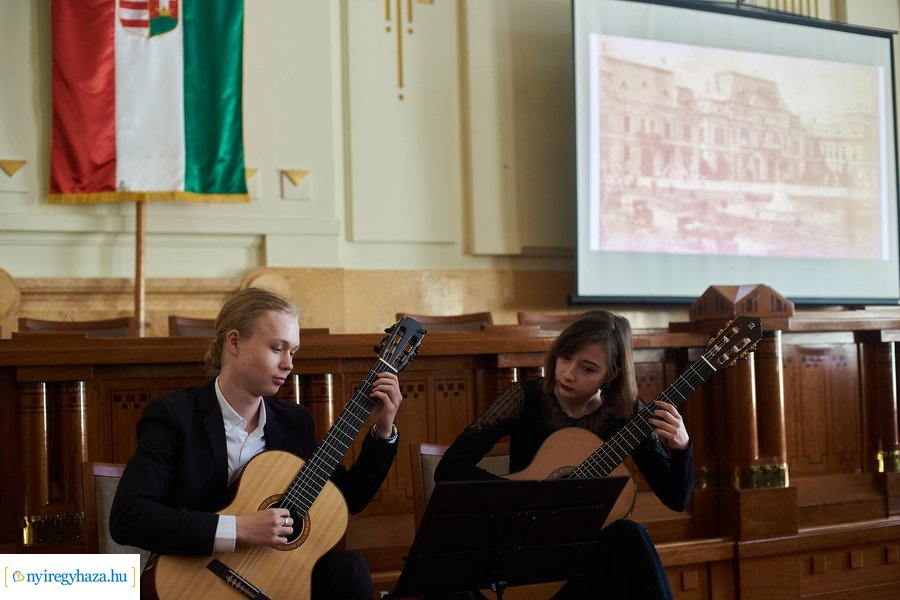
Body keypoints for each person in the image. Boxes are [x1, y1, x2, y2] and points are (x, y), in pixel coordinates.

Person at [110, 287, 403, 599]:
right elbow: (130, 516)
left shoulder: (294, 422)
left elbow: (344, 498)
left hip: (275, 580)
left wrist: (384, 430)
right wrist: (240, 529)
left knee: (350, 568)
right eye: (278, 349)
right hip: (197, 581)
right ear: (234, 342)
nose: (289, 364)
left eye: (293, 352)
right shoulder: (174, 416)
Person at [433, 310, 694, 599]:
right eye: (566, 357)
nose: (568, 373)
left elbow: (675, 498)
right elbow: (450, 467)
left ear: (612, 374)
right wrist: (519, 495)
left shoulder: (626, 412)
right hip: (520, 552)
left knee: (631, 536)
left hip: (585, 565)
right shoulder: (524, 398)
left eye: (588, 368)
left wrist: (681, 447)